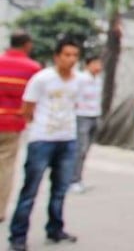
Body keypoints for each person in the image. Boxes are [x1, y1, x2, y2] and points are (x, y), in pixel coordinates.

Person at [8, 38, 81, 250]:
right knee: (30, 191)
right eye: (67, 54)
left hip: (67, 139)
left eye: (75, 55)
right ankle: (18, 237)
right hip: (42, 141)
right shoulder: (42, 79)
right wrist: (39, 128)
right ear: (57, 56)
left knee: (59, 189)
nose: (71, 59)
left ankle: (55, 229)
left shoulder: (78, 80)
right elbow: (27, 109)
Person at [0, 32, 41, 223]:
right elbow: (34, 100)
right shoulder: (32, 68)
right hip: (12, 124)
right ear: (26, 45)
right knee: (5, 167)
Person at [69, 54, 102, 194]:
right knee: (79, 149)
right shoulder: (80, 79)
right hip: (81, 116)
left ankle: (77, 178)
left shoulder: (98, 80)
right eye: (97, 63)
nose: (99, 67)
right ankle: (73, 180)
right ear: (89, 64)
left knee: (85, 150)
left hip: (94, 116)